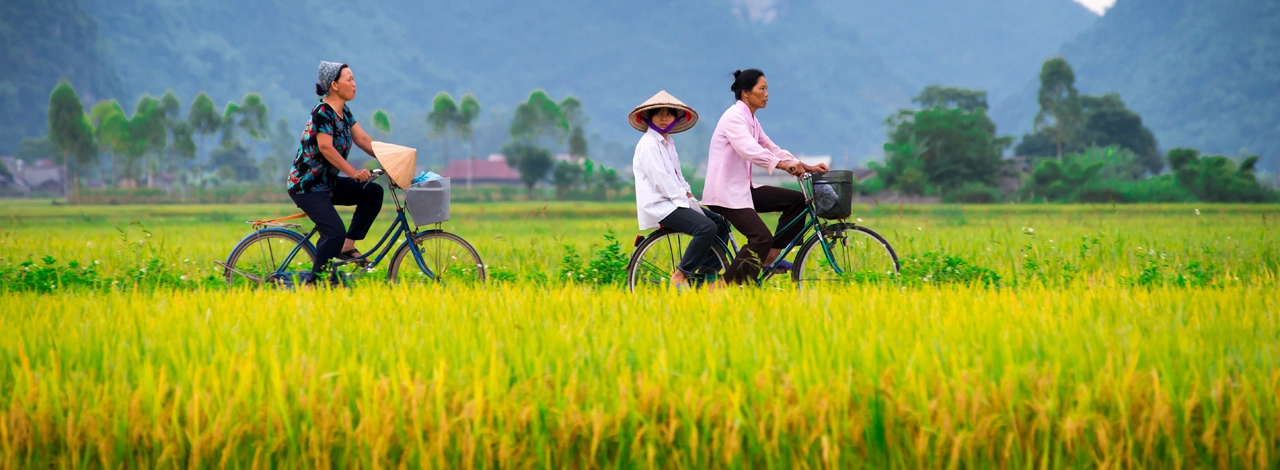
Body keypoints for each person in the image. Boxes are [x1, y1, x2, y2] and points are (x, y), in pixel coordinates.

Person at [702, 69, 828, 285]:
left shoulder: (750, 119)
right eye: (762, 89)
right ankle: (721, 287)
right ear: (746, 93)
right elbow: (748, 149)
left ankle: (769, 259)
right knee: (760, 237)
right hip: (725, 192)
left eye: (767, 89)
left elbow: (771, 147)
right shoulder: (734, 117)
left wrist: (805, 166)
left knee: (796, 201)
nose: (767, 94)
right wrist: (782, 166)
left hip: (742, 188)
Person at [285, 61, 383, 285]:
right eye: (350, 79)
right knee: (334, 232)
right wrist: (353, 172)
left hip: (327, 183)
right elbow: (325, 147)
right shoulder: (323, 112)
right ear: (335, 85)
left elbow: (364, 140)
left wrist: (394, 157)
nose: (355, 84)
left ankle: (347, 248)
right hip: (307, 186)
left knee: (373, 193)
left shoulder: (344, 112)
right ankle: (312, 285)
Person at [630, 91, 730, 287]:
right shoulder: (649, 144)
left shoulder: (668, 143)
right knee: (705, 227)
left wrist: (688, 194)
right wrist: (684, 199)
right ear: (649, 117)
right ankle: (681, 274)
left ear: (676, 118)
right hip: (662, 205)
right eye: (658, 114)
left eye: (669, 113)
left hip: (674, 201)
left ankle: (706, 277)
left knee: (721, 224)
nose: (664, 118)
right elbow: (661, 180)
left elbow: (677, 176)